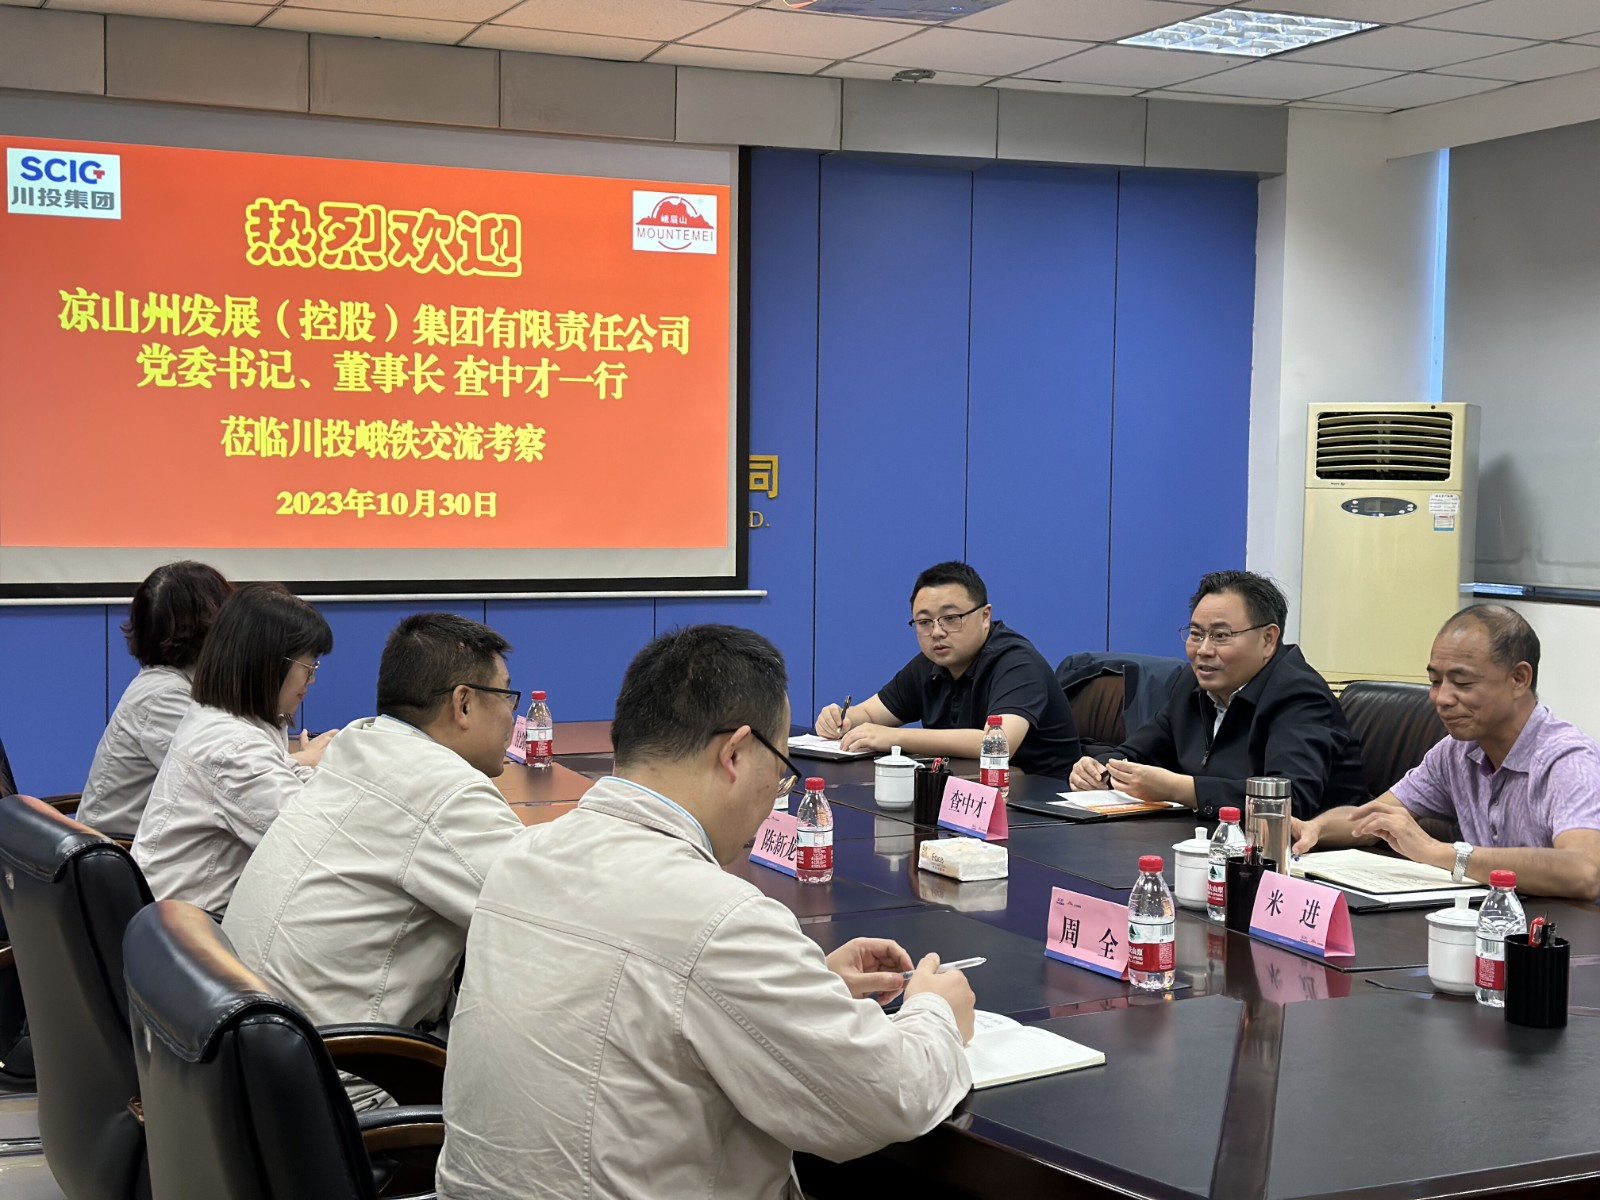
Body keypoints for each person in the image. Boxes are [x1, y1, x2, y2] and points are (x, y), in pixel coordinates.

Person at [436, 624, 974, 1200]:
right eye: (781, 769)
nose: (775, 796)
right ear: (735, 753)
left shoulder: (522, 855)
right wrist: (934, 1012)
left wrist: (802, 983)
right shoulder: (719, 918)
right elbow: (886, 1098)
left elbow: (637, 996)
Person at [223, 613, 524, 1106]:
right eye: (507, 695)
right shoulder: (442, 790)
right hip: (343, 1091)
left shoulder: (360, 745)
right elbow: (548, 917)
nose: (512, 715)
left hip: (254, 1069)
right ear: (464, 703)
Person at [1293, 605, 1600, 900]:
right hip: (1491, 920)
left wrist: (1439, 852)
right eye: (1435, 682)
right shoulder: (1457, 751)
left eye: (1462, 682)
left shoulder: (1568, 760)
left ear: (1518, 679)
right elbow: (1374, 817)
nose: (1442, 699)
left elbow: (1585, 872)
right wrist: (1314, 828)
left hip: (1564, 930)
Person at [1068, 570, 1364, 820]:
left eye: (1221, 636)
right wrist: (1099, 768)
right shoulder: (1193, 683)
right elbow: (1138, 753)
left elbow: (1289, 802)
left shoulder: (1299, 695)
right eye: (1196, 634)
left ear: (1268, 639)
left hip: (1312, 857)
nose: (1204, 650)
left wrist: (1179, 789)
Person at [133, 582, 334, 914]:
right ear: (269, 664)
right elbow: (315, 841)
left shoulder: (225, 718)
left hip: (175, 919)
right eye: (307, 668)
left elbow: (289, 777)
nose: (310, 681)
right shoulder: (233, 748)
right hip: (191, 929)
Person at [815, 561, 1081, 777]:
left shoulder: (1018, 662)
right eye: (924, 622)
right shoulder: (931, 663)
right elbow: (871, 714)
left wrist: (895, 737)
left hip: (1040, 801)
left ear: (985, 616)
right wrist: (842, 720)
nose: (937, 632)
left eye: (951, 618)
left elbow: (998, 744)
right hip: (969, 794)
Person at [77, 561, 233, 837]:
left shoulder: (174, 683)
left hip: (153, 842)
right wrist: (304, 758)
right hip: (124, 853)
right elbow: (222, 781)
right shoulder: (164, 696)